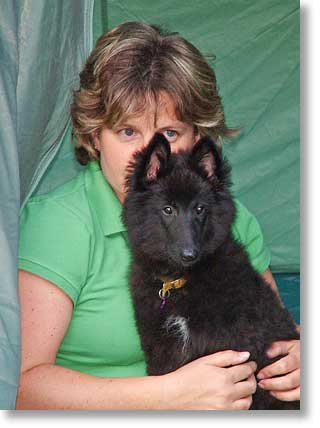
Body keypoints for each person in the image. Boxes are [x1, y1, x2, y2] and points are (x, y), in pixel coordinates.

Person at [16, 21, 300, 410]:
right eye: (127, 131)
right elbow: (20, 387)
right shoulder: (58, 226)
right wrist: (168, 396)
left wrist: (299, 360)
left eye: (167, 133)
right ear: (94, 136)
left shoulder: (223, 221)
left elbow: (276, 334)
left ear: (198, 137)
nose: (146, 153)